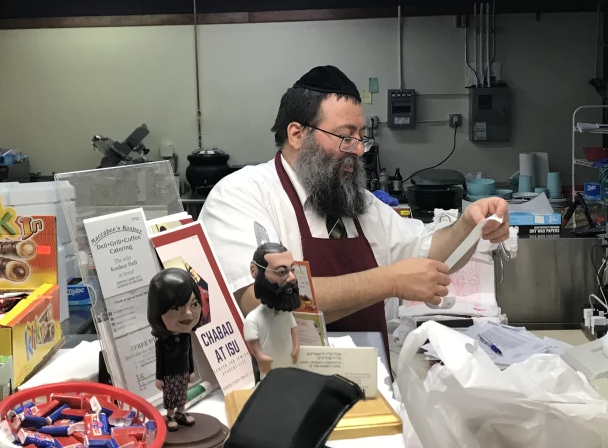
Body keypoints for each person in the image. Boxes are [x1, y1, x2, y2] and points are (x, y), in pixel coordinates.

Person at [200, 65, 510, 356]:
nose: (359, 150)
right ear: (297, 134)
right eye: (345, 137)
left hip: (372, 384)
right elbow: (261, 298)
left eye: (361, 137)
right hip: (286, 382)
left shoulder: (358, 203)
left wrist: (468, 225)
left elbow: (429, 254)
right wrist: (389, 281)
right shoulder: (243, 194)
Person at [148, 268, 202, 432]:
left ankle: (181, 412)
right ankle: (170, 415)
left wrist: (191, 370)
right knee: (171, 395)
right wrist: (159, 378)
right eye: (177, 308)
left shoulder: (186, 337)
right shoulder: (162, 342)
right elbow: (160, 361)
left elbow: (189, 354)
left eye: (194, 304)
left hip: (183, 372)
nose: (188, 314)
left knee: (182, 393)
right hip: (169, 375)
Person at [244, 244, 301, 377]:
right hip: (269, 365)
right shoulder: (253, 318)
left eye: (293, 270)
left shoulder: (286, 313)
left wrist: (296, 346)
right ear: (255, 271)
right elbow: (252, 341)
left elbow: (293, 329)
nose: (292, 278)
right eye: (281, 272)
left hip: (288, 360)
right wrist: (260, 356)